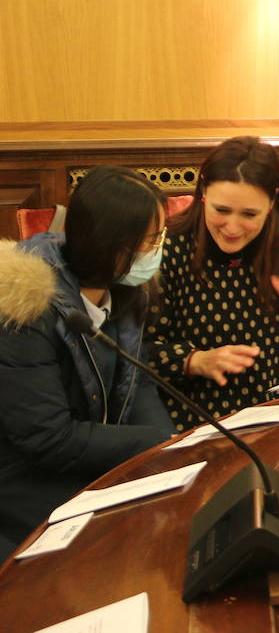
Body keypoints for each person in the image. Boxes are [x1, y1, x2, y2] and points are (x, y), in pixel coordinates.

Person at [0, 166, 174, 557]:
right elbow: (47, 437)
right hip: (23, 482)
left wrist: (167, 450)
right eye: (153, 238)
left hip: (88, 459)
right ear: (113, 245)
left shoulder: (126, 292)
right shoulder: (25, 308)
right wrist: (151, 443)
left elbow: (136, 382)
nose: (161, 247)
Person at [146, 136, 279, 430]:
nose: (232, 228)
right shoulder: (171, 247)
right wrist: (195, 361)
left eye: (249, 215)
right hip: (205, 409)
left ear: (271, 202)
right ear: (203, 191)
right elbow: (137, 351)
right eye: (221, 211)